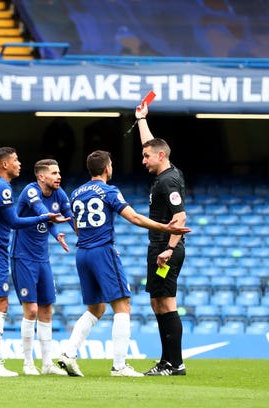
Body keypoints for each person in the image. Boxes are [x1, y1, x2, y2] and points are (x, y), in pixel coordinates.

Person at [56, 150, 191, 377]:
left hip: (83, 253)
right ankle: (119, 366)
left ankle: (68, 353)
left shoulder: (76, 193)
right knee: (123, 305)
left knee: (96, 308)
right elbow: (134, 217)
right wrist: (165, 228)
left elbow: (76, 225)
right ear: (107, 168)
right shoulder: (109, 191)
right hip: (102, 251)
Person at [0, 146, 70, 378]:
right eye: (15, 160)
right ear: (4, 164)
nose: (19, 164)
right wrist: (45, 217)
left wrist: (52, 227)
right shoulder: (2, 187)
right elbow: (14, 221)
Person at [136, 102, 189, 376]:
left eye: (146, 156)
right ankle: (166, 361)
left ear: (159, 156)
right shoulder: (166, 170)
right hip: (158, 247)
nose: (143, 160)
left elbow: (180, 217)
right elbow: (152, 143)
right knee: (158, 302)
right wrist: (142, 119)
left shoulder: (168, 182)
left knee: (167, 302)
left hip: (165, 249)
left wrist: (169, 249)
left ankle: (175, 363)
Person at [10, 159, 75, 376]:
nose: (59, 176)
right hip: (23, 258)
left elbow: (71, 218)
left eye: (59, 172)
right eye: (54, 173)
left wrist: (88, 238)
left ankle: (47, 364)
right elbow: (41, 211)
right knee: (32, 310)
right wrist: (54, 224)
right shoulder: (31, 191)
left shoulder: (60, 194)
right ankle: (28, 363)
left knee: (47, 309)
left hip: (42, 259)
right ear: (41, 177)